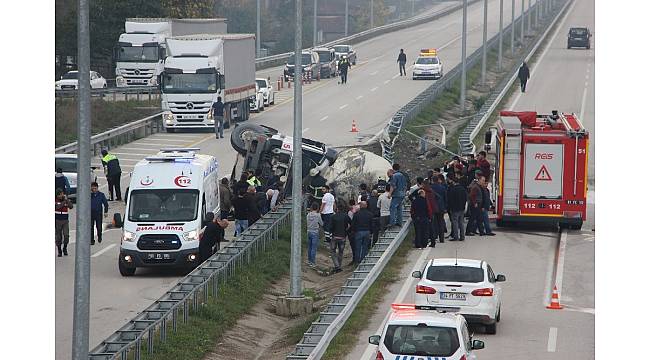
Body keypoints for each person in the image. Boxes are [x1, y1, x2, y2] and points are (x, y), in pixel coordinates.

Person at [330, 203, 351, 273]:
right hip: (343, 237)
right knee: (341, 252)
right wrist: (347, 231)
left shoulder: (333, 216)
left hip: (335, 236)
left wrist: (331, 232)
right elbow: (351, 224)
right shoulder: (346, 216)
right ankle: (339, 266)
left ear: (337, 209)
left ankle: (337, 266)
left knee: (333, 251)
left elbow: (330, 227)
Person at [388, 164, 408, 229]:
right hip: (402, 194)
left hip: (396, 194)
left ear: (393, 168)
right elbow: (405, 185)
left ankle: (392, 223)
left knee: (392, 208)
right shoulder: (402, 175)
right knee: (399, 208)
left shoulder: (394, 176)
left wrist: (390, 193)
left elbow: (393, 185)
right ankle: (399, 222)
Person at [447, 176, 467, 241]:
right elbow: (465, 198)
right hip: (461, 208)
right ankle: (462, 236)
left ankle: (456, 236)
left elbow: (450, 200)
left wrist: (449, 208)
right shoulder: (463, 189)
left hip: (454, 208)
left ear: (453, 182)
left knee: (455, 222)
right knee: (461, 222)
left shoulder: (452, 190)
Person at [55, 189, 73, 257]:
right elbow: (57, 207)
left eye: (62, 194)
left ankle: (65, 247)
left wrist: (67, 200)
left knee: (66, 235)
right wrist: (64, 202)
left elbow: (71, 206)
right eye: (60, 194)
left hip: (65, 220)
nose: (61, 195)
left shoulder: (66, 200)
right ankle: (59, 250)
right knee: (58, 237)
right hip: (57, 220)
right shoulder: (55, 201)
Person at [431, 174, 448, 244]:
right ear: (438, 180)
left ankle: (434, 236)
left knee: (434, 222)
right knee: (441, 222)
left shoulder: (431, 188)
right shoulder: (443, 187)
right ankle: (441, 238)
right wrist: (445, 207)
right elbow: (445, 198)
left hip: (433, 207)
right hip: (441, 207)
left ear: (432, 180)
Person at [306, 203, 324, 268]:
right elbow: (321, 223)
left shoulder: (308, 215)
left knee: (309, 247)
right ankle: (312, 262)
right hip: (315, 232)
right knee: (314, 248)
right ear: (317, 208)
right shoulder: (318, 215)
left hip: (308, 231)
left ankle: (309, 261)